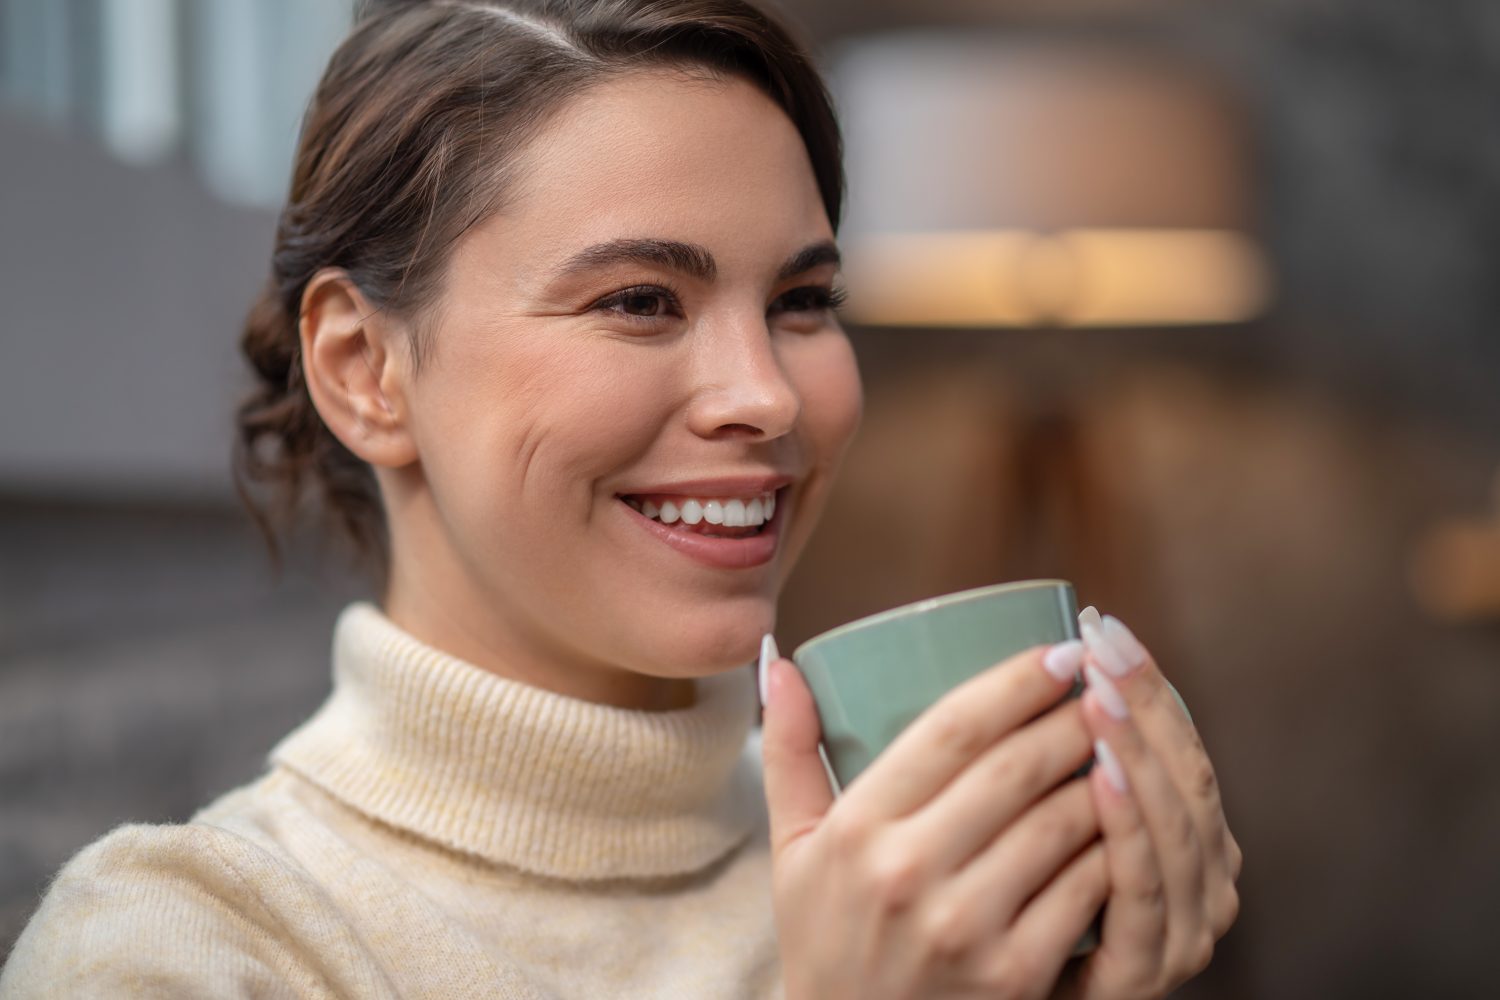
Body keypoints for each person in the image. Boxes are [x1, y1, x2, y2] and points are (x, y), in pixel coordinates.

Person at [0, 1, 1240, 996]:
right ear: (363, 370)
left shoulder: (923, 867)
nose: (767, 395)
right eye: (640, 299)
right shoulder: (183, 951)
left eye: (804, 302)